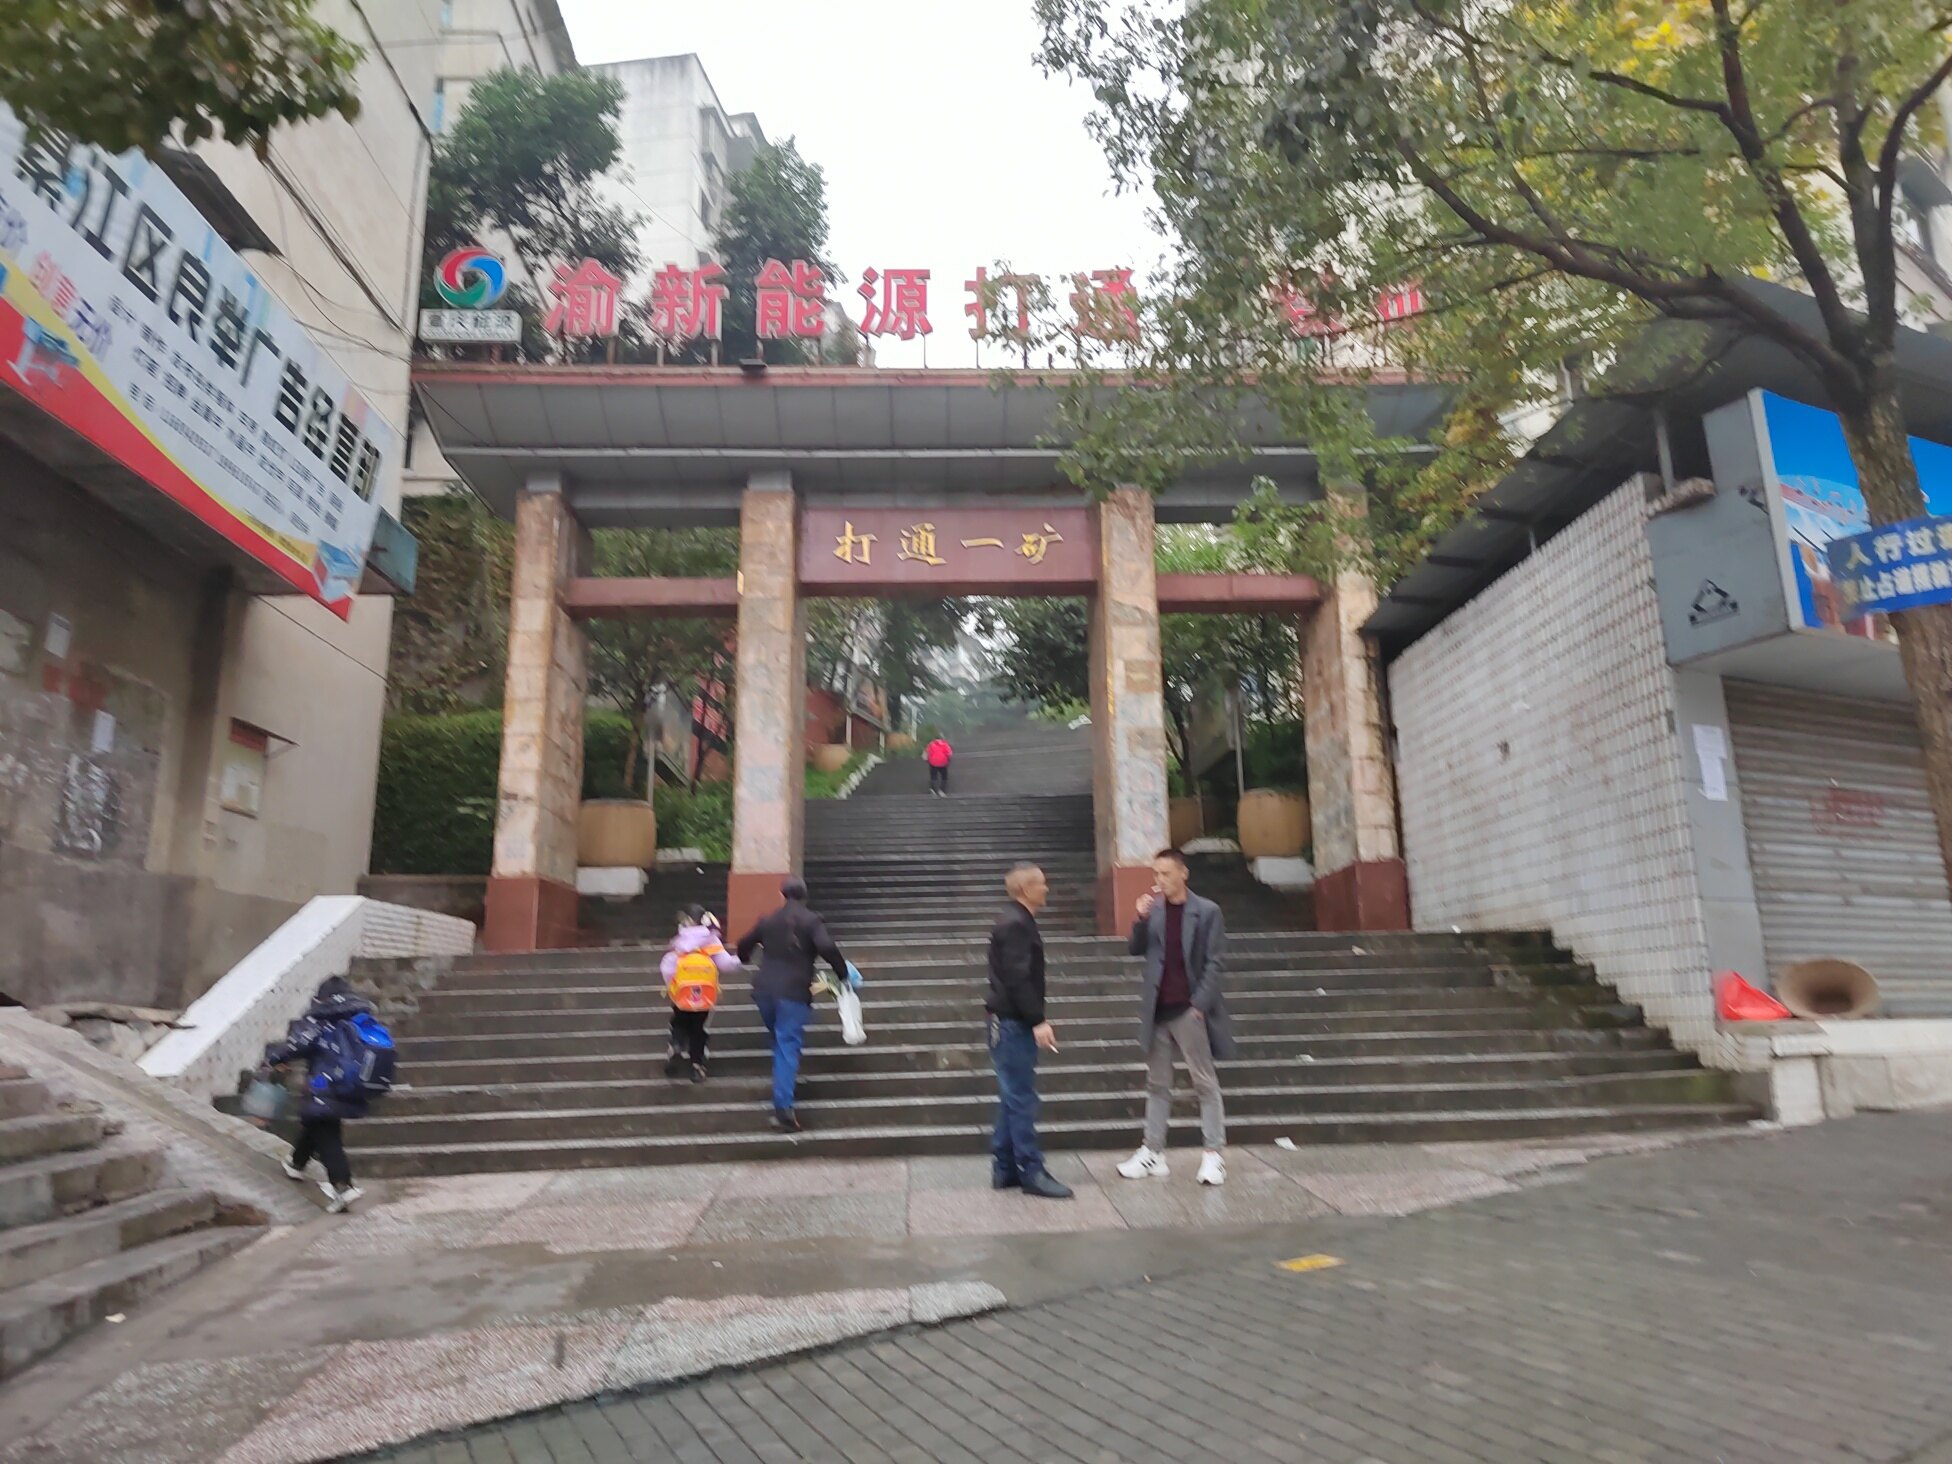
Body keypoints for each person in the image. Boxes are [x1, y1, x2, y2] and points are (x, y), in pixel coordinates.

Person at [1117, 847, 1235, 1188]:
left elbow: (1215, 962)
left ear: (1183, 873)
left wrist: (1199, 1005)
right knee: (1157, 1084)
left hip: (1188, 1009)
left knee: (1204, 1082)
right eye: (1156, 874)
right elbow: (1135, 948)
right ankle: (1153, 1151)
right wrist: (1140, 918)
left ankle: (1213, 1155)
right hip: (1158, 1010)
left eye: (1166, 873)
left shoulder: (1207, 911)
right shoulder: (1154, 910)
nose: (1160, 880)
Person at [986, 863, 1071, 1199]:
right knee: (1021, 1098)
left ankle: (1005, 1167)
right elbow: (1017, 977)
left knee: (1013, 1096)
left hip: (1008, 1022)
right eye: (1041, 883)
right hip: (1012, 1023)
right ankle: (1030, 1170)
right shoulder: (1016, 924)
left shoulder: (1016, 920)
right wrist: (1037, 1020)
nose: (1046, 888)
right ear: (1025, 889)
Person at [736, 877, 848, 1132]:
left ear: (782, 895)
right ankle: (783, 1109)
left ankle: (784, 1084)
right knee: (787, 1043)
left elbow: (743, 945)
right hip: (793, 992)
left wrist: (744, 957)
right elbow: (826, 945)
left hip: (764, 991)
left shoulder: (768, 921)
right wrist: (842, 973)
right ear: (805, 896)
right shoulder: (811, 921)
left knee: (780, 1041)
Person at [263, 975, 380, 1213]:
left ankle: (342, 1185)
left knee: (326, 1132)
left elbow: (299, 1044)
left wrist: (273, 1057)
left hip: (324, 1083)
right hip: (350, 1084)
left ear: (324, 997)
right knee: (317, 1121)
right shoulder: (359, 1018)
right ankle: (296, 1163)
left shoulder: (321, 1018)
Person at [661, 905, 740, 1083]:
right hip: (704, 993)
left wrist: (672, 987)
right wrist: (740, 959)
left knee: (679, 1021)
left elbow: (667, 966)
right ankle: (697, 1066)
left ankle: (676, 1044)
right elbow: (727, 964)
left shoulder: (681, 940)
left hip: (682, 992)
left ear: (688, 920)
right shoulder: (712, 940)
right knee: (698, 1028)